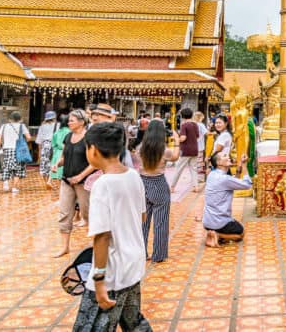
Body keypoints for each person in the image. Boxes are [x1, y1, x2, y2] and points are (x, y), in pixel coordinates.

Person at [72, 122, 151, 332]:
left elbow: (102, 236)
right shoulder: (134, 176)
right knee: (133, 321)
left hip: (112, 270)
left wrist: (99, 281)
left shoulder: (102, 184)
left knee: (91, 325)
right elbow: (142, 216)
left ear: (94, 150)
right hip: (134, 261)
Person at [52, 109, 92, 258]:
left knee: (88, 213)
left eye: (72, 120)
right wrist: (57, 164)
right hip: (67, 181)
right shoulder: (68, 136)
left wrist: (80, 176)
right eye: (69, 120)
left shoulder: (89, 138)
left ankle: (98, 247)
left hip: (83, 183)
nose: (68, 122)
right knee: (64, 213)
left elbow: (94, 162)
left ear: (81, 122)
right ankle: (65, 247)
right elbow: (64, 156)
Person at [139, 120, 180, 263]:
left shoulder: (140, 148)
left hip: (142, 183)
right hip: (159, 184)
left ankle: (141, 253)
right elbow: (175, 156)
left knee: (142, 222)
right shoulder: (164, 150)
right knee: (161, 222)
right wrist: (177, 141)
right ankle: (159, 255)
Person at [203, 151, 252, 247]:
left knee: (235, 225)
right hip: (219, 222)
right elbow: (247, 185)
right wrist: (245, 166)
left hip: (207, 222)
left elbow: (232, 182)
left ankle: (214, 233)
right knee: (241, 234)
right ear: (219, 163)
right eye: (225, 156)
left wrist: (239, 167)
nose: (229, 157)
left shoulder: (211, 175)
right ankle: (217, 234)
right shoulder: (224, 179)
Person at [0, 111, 33, 194]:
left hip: (7, 149)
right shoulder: (21, 126)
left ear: (10, 119)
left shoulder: (4, 126)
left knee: (6, 166)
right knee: (17, 169)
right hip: (18, 149)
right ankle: (14, 188)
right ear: (20, 119)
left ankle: (5, 183)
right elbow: (29, 138)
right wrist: (23, 142)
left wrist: (1, 146)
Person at [170, 107, 200, 193]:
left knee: (178, 168)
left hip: (186, 150)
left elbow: (183, 138)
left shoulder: (184, 125)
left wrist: (176, 138)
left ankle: (172, 187)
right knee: (193, 169)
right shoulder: (195, 125)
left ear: (182, 116)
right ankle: (196, 186)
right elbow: (197, 136)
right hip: (195, 149)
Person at [36, 111, 58, 189]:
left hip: (45, 145)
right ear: (54, 117)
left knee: (44, 164)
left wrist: (39, 154)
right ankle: (49, 181)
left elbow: (39, 140)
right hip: (54, 145)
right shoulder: (58, 125)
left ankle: (46, 182)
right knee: (53, 163)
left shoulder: (42, 126)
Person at [49, 114, 70, 186]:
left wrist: (56, 151)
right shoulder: (70, 132)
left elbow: (53, 144)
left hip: (57, 153)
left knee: (58, 173)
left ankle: (59, 190)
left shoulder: (57, 132)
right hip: (66, 153)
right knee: (63, 174)